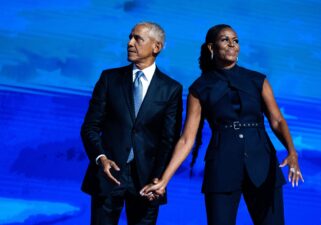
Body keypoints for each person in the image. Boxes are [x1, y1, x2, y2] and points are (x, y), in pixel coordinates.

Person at [140, 24, 303, 225]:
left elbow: (277, 120)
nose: (232, 44)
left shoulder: (257, 80)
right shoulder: (199, 88)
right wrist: (164, 180)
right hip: (222, 166)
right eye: (225, 40)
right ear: (211, 47)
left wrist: (292, 152)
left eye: (235, 40)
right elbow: (186, 139)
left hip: (262, 163)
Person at [80, 22, 183, 225]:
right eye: (130, 37)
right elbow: (90, 127)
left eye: (138, 38)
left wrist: (158, 179)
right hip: (108, 176)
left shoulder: (171, 89)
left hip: (147, 182)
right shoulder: (109, 79)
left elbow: (168, 140)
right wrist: (101, 158)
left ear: (156, 47)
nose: (130, 43)